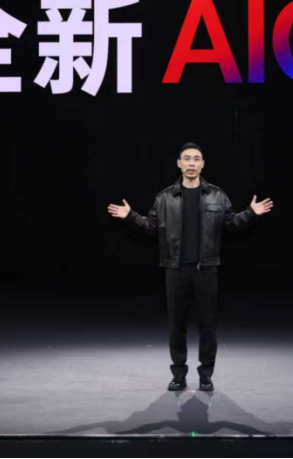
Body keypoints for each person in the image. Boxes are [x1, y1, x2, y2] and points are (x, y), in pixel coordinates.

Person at [108, 142, 273, 392]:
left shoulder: (217, 195)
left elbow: (231, 223)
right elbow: (150, 227)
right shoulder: (164, 197)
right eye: (187, 158)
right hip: (175, 270)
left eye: (196, 159)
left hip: (206, 269)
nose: (191, 163)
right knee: (177, 325)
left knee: (208, 325)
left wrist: (251, 212)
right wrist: (130, 216)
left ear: (203, 164)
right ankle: (178, 374)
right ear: (179, 163)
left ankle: (206, 374)